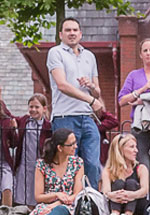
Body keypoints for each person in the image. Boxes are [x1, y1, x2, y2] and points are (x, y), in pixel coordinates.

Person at [48, 18, 104, 188]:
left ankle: (90, 205)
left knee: (93, 165)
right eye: (67, 30)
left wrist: (91, 86)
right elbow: (62, 85)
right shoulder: (56, 52)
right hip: (65, 117)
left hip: (87, 117)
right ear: (60, 34)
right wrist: (91, 99)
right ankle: (68, 207)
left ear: (80, 33)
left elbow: (98, 91)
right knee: (67, 166)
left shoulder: (89, 56)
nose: (71, 33)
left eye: (75, 30)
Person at [22, 128, 87, 215]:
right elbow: (38, 196)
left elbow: (77, 193)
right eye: (71, 144)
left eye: (75, 142)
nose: (75, 146)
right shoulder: (42, 164)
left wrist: (58, 202)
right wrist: (57, 195)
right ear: (60, 148)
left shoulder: (77, 163)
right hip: (46, 205)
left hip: (68, 206)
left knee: (60, 210)